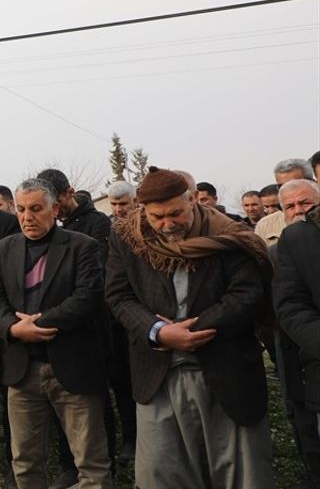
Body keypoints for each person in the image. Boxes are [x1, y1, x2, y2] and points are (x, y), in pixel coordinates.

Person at [105, 167, 273, 487]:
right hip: (156, 372)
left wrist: (189, 331)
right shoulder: (127, 237)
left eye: (176, 214)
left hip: (225, 368)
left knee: (240, 473)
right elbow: (117, 296)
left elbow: (247, 293)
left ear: (193, 200)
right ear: (143, 209)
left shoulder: (228, 233)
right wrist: (157, 330)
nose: (168, 224)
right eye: (158, 217)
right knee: (162, 472)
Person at [0, 179, 110, 488]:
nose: (28, 217)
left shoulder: (82, 245)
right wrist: (13, 328)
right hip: (22, 370)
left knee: (90, 463)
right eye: (22, 209)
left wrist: (38, 324)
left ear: (54, 209)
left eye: (36, 209)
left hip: (72, 367)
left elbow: (88, 297)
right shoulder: (5, 248)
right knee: (24, 462)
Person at [274, 182, 320, 489]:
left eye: (304, 202)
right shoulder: (295, 240)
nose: (299, 210)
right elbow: (291, 305)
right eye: (290, 206)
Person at [257, 159, 316, 246]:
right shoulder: (265, 226)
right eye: (283, 186)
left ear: (312, 183)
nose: (288, 189)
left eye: (294, 184)